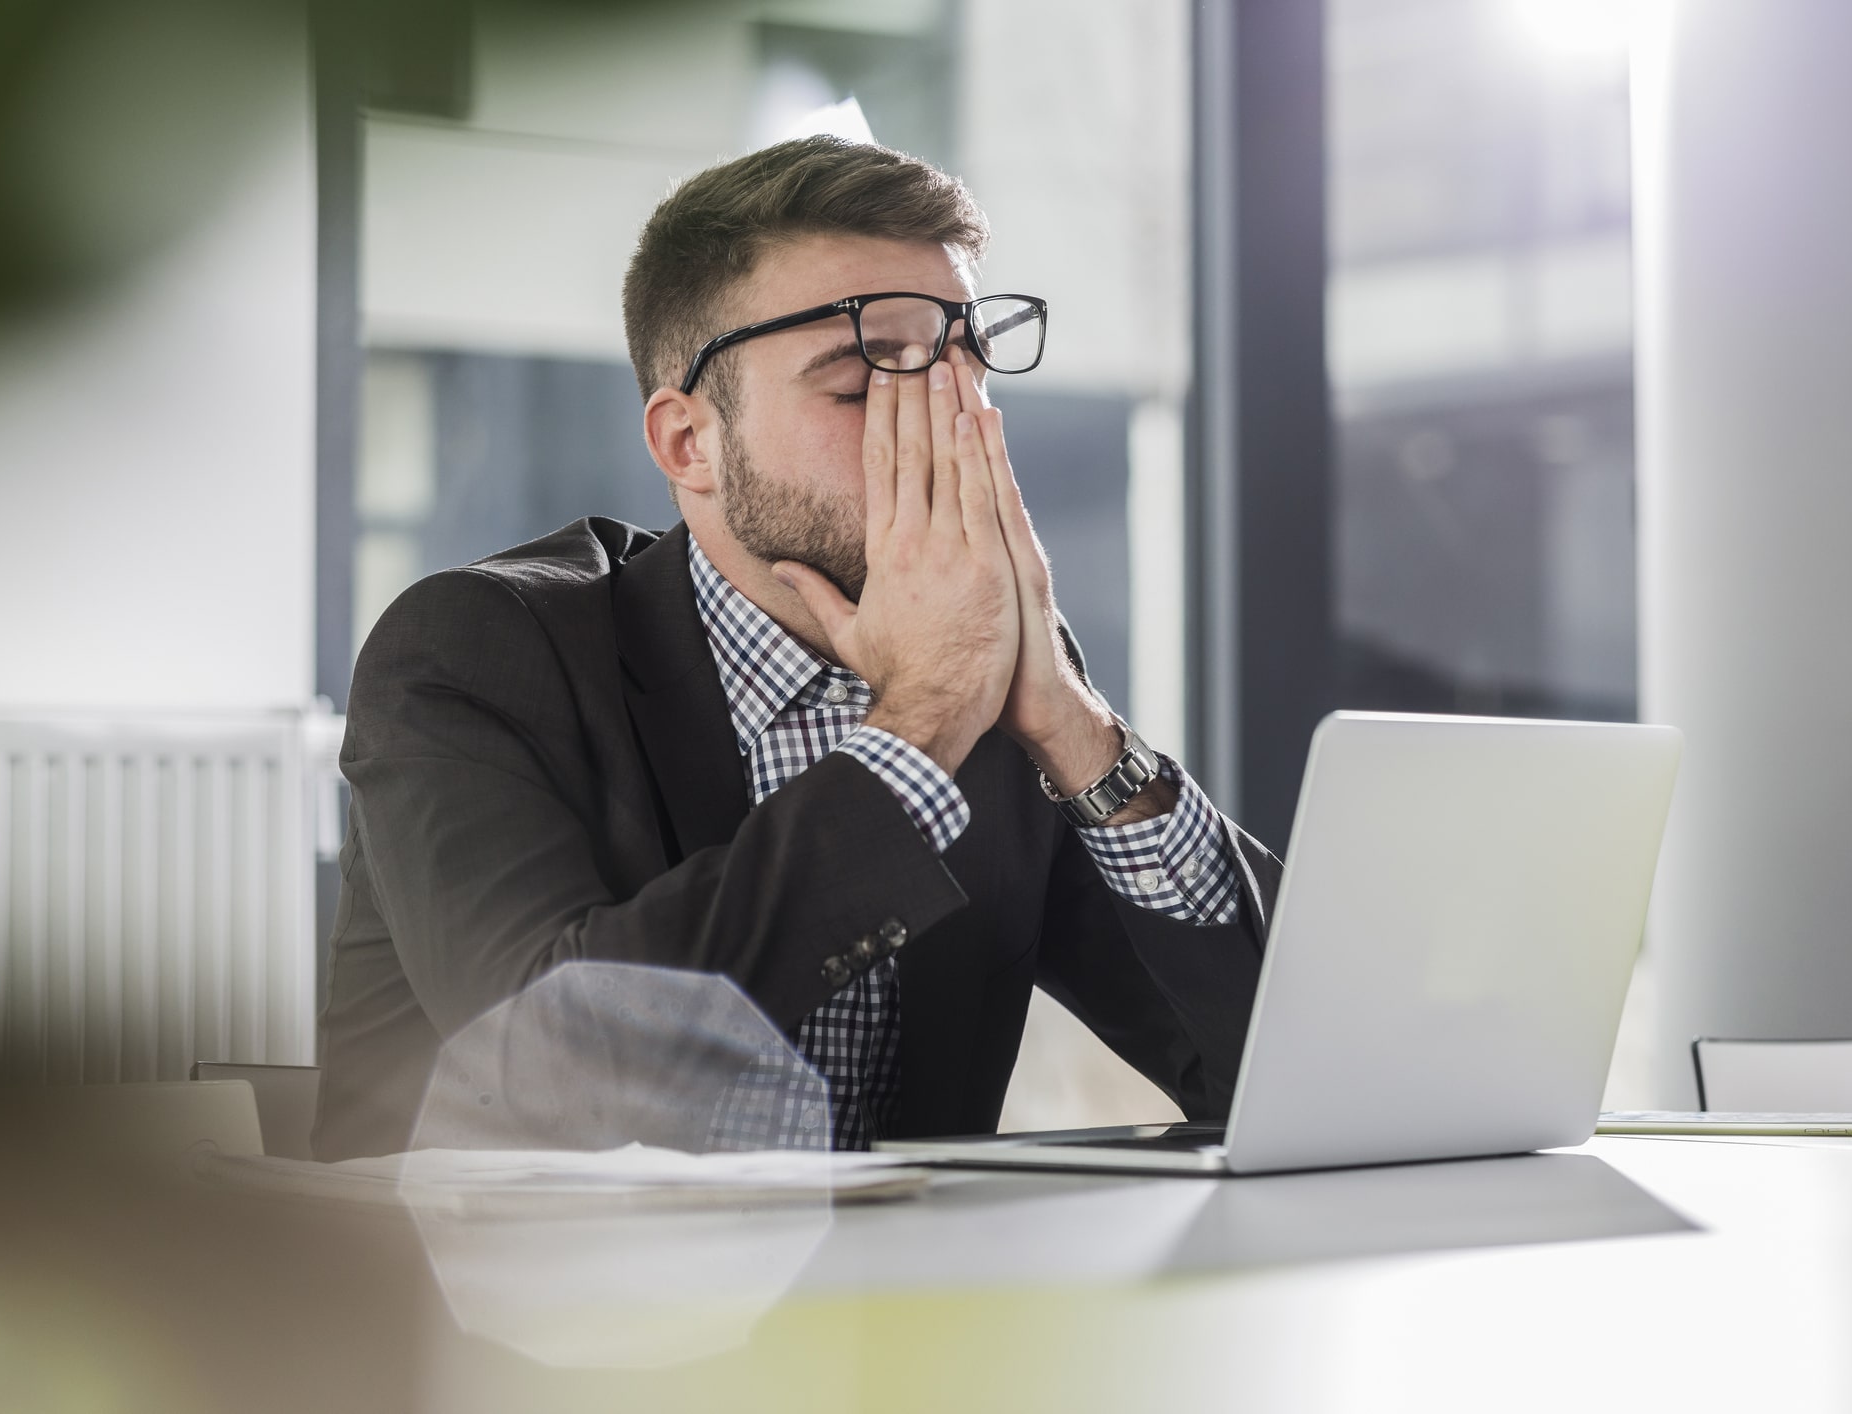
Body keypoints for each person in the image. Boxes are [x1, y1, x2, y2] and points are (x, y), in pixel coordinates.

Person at [311, 136, 1281, 1160]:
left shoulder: (990, 670)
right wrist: (914, 735)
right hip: (478, 1309)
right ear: (689, 442)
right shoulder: (471, 651)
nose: (945, 428)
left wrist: (1081, 739)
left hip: (889, 1308)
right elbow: (561, 1074)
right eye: (864, 386)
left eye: (964, 371)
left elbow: (1276, 1062)